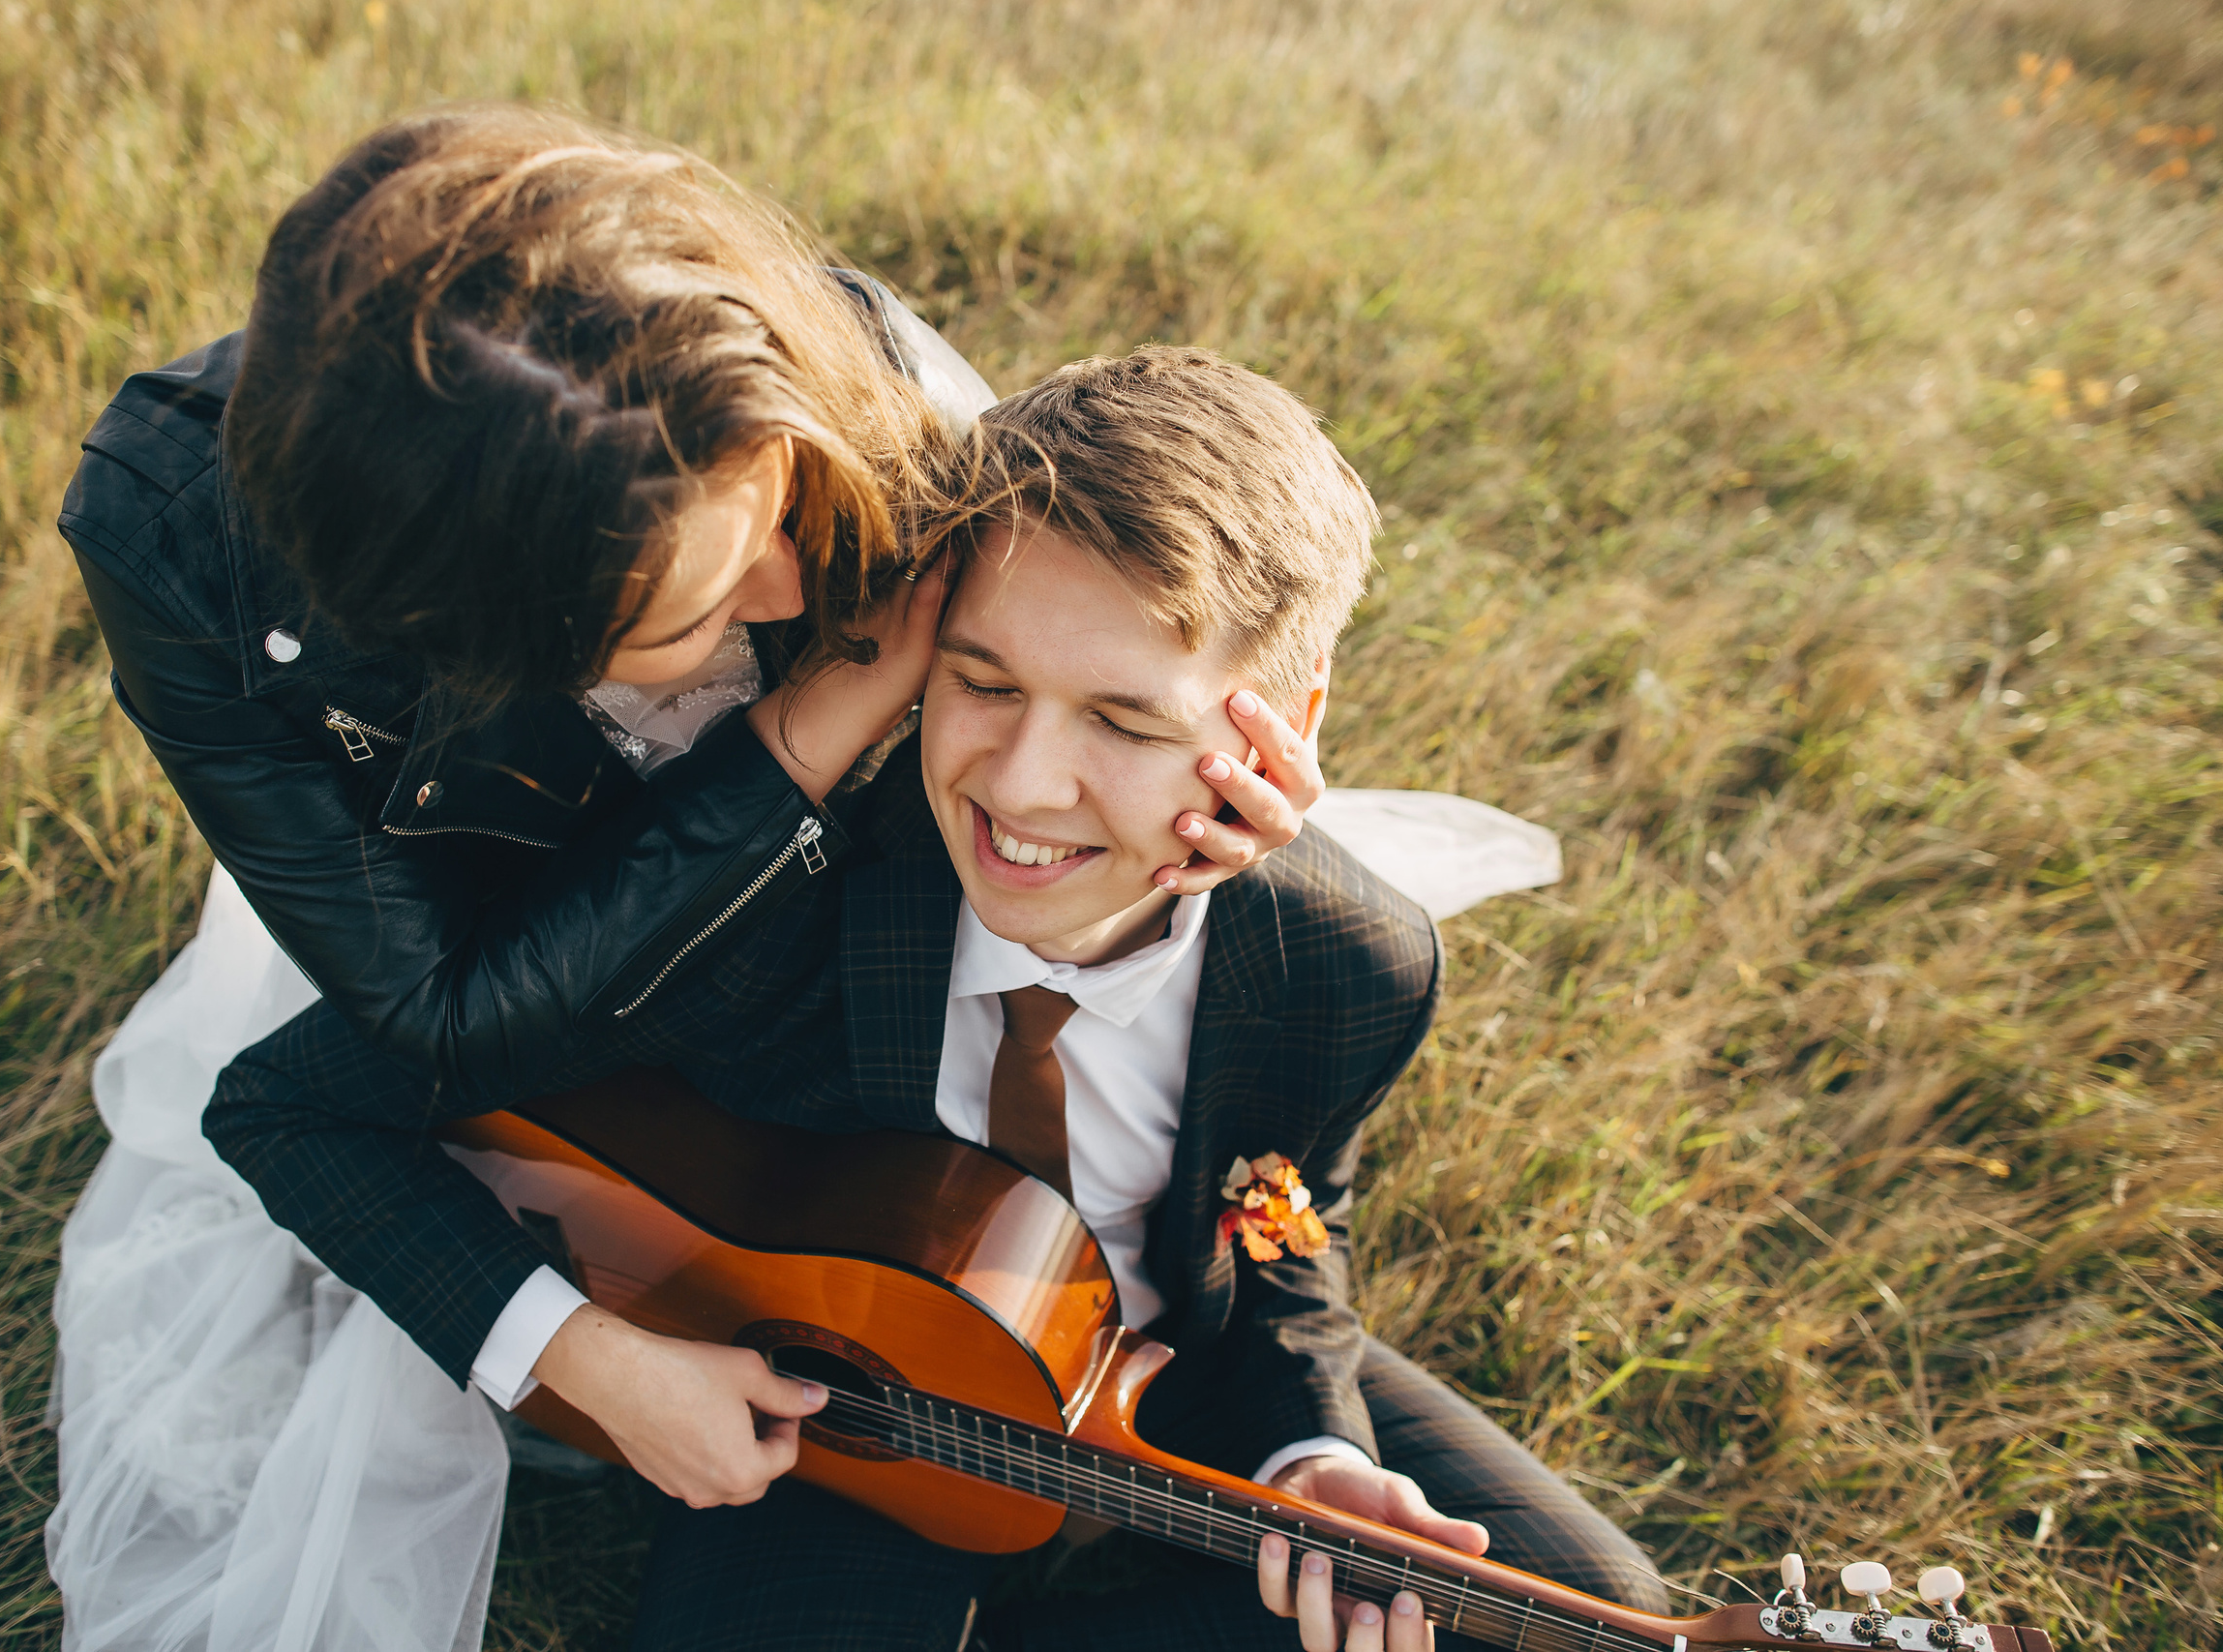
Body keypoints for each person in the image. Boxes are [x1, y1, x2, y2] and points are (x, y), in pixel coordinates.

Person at [45, 108, 1324, 1651]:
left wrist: (1181, 800)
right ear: (501, 646)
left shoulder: (868, 419)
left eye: (784, 501)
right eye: (707, 603)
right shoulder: (182, 541)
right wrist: (806, 726)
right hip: (492, 922)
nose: (805, 589)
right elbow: (437, 1023)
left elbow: (1067, 668)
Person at [211, 347, 1659, 1651]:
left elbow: (1284, 1209)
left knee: (1589, 1616)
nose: (1023, 789)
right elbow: (287, 1108)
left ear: (1290, 720)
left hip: (1165, 1348)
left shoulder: (1344, 961)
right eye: (984, 684)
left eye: (1125, 720)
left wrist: (1311, 1454)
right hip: (842, 1411)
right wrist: (588, 1358)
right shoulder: (765, 894)